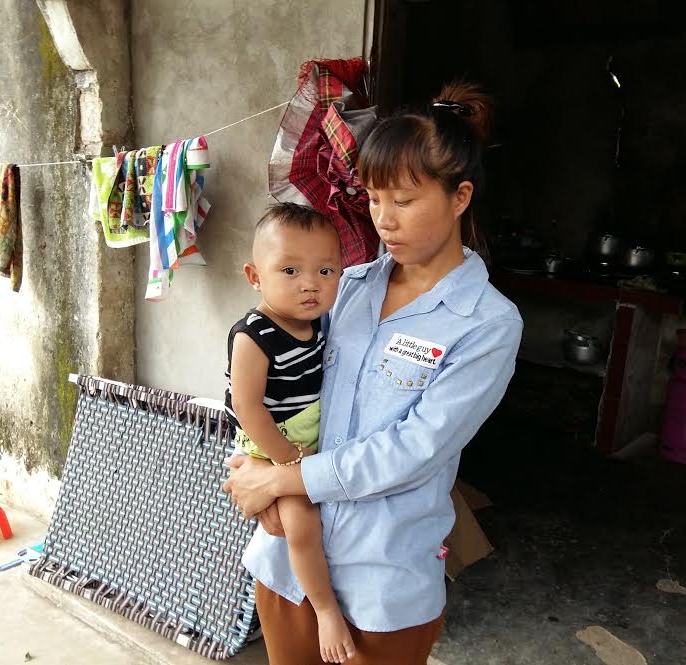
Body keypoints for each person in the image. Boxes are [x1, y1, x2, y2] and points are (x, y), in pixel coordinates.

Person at [223, 82, 523, 665]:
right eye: (374, 198)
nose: (383, 220)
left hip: (381, 575)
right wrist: (248, 465)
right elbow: (276, 378)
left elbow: (414, 449)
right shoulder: (348, 287)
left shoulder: (487, 324)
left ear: (460, 197)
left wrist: (283, 481)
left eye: (403, 201)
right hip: (289, 563)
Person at [223, 202, 354, 662]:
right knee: (301, 523)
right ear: (254, 276)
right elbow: (247, 407)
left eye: (325, 271)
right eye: (290, 270)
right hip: (271, 440)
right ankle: (326, 611)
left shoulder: (316, 323)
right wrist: (285, 461)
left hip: (306, 436)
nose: (310, 284)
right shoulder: (253, 335)